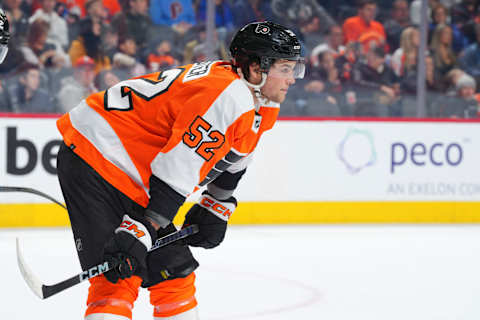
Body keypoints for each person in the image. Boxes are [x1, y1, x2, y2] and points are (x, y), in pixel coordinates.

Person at [55, 21, 305, 320]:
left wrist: (217, 203)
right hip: (97, 153)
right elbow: (177, 168)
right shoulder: (229, 95)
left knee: (174, 274)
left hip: (134, 169)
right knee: (119, 275)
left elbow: (237, 154)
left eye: (294, 69)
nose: (292, 79)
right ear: (255, 68)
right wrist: (144, 227)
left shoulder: (261, 102)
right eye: (286, 69)